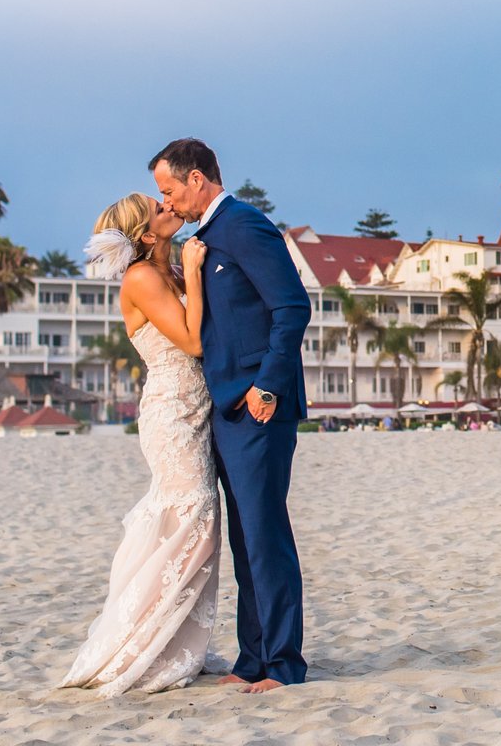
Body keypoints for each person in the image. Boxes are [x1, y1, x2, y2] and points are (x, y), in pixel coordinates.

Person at [151, 138, 311, 693]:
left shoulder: (244, 225)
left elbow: (292, 307)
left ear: (196, 179)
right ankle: (253, 659)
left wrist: (267, 385)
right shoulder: (205, 238)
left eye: (169, 189)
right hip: (226, 411)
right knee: (245, 543)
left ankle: (284, 665)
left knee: (266, 537)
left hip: (259, 408)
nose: (167, 201)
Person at [61, 192, 218, 696]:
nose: (170, 206)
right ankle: (140, 643)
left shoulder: (166, 270)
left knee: (190, 522)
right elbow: (192, 341)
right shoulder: (142, 278)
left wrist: (189, 271)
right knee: (193, 519)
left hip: (196, 407)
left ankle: (170, 641)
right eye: (159, 208)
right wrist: (193, 272)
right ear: (147, 234)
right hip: (171, 414)